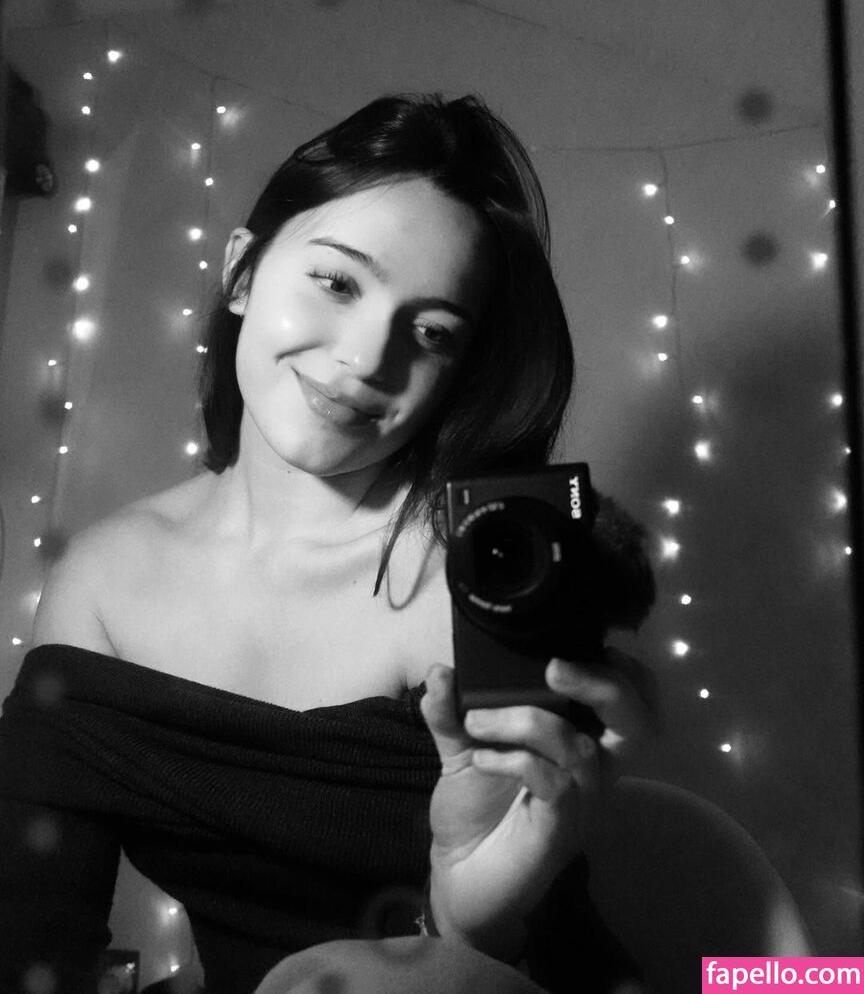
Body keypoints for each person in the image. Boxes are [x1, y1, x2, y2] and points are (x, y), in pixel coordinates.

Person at [0, 94, 810, 994]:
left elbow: (521, 945)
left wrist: (471, 913)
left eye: (430, 333)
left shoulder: (477, 575)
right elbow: (31, 935)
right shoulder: (100, 582)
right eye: (337, 283)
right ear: (241, 273)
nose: (366, 358)